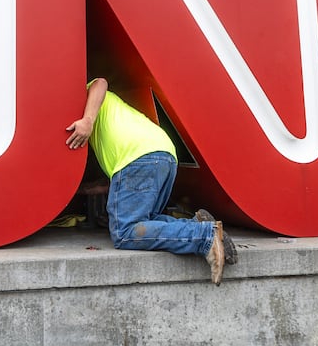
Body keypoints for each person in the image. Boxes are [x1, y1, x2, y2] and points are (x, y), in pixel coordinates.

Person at [67, 77, 237, 284]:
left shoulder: (86, 98)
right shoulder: (111, 118)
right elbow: (113, 185)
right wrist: (76, 191)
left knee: (125, 232)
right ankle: (196, 224)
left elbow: (101, 82)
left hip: (138, 158)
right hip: (162, 154)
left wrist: (87, 121)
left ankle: (204, 236)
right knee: (148, 220)